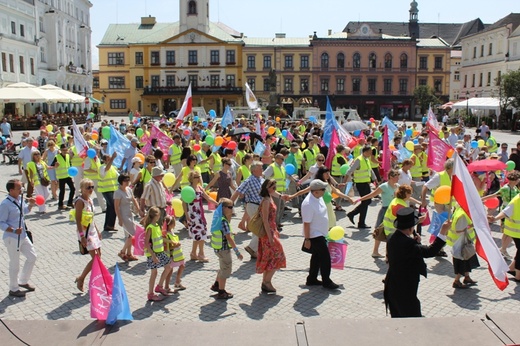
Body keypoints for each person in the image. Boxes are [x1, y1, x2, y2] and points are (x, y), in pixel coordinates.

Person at [384, 207, 449, 318]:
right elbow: (430, 251)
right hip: (405, 289)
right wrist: (442, 232)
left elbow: (405, 250)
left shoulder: (392, 237)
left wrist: (414, 242)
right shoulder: (409, 244)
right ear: (410, 228)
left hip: (392, 286)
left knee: (397, 318)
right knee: (412, 319)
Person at [0, 179, 37, 297]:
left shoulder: (20, 199)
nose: (21, 190)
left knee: (32, 257)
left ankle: (23, 281)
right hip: (12, 238)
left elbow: (24, 210)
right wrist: (14, 230)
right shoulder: (5, 204)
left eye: (21, 188)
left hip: (23, 235)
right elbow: (1, 223)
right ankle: (13, 288)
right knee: (14, 264)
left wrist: (30, 204)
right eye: (19, 188)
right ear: (11, 190)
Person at [301, 179, 340, 289]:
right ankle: (326, 281)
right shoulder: (308, 204)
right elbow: (307, 223)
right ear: (315, 191)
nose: (325, 191)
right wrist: (307, 239)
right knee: (325, 258)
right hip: (314, 235)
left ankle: (311, 279)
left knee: (317, 257)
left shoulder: (318, 198)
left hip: (321, 233)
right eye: (323, 189)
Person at [357, 169, 400, 257]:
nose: (398, 178)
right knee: (380, 231)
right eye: (396, 176)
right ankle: (375, 251)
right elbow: (372, 195)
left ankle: (389, 253)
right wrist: (359, 199)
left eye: (398, 176)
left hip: (395, 211)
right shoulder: (384, 186)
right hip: (385, 210)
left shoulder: (397, 186)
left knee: (392, 232)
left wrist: (418, 203)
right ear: (391, 177)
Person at [210, 198, 243, 299]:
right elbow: (228, 238)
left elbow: (223, 233)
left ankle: (216, 285)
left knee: (222, 267)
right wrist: (237, 252)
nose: (232, 209)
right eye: (230, 207)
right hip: (224, 249)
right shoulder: (223, 221)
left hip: (218, 248)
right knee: (225, 270)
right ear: (223, 208)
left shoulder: (218, 217)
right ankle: (221, 291)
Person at [257, 179, 287, 293]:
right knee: (278, 255)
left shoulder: (269, 196)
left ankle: (265, 282)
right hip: (267, 233)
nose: (274, 187)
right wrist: (270, 236)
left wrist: (282, 196)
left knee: (270, 257)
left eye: (275, 185)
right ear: (266, 188)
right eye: (271, 186)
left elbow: (276, 193)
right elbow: (265, 220)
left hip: (271, 230)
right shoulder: (265, 201)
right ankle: (267, 281)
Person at [230, 161, 264, 258]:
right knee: (260, 228)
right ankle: (252, 248)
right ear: (254, 170)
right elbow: (238, 191)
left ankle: (255, 251)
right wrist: (229, 203)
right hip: (253, 206)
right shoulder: (249, 181)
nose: (262, 170)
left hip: (260, 206)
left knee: (257, 229)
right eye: (260, 168)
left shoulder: (260, 179)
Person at [74, 178, 102, 292]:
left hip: (92, 230)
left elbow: (91, 217)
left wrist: (97, 230)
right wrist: (82, 236)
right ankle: (82, 278)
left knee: (99, 256)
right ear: (82, 189)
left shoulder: (90, 200)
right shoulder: (80, 201)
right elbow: (78, 219)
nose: (91, 189)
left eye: (92, 187)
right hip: (85, 232)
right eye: (88, 187)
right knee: (95, 258)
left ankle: (85, 278)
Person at [183, 171, 218, 262]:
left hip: (200, 214)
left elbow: (208, 198)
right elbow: (183, 202)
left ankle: (193, 253)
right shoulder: (188, 189)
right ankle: (201, 254)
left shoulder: (199, 188)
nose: (199, 178)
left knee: (197, 234)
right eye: (196, 177)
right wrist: (186, 215)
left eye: (199, 176)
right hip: (193, 215)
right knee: (201, 234)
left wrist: (217, 204)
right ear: (192, 179)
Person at [143, 206, 172, 301]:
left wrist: (169, 241)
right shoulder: (150, 227)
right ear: (156, 216)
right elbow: (146, 243)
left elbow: (159, 238)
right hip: (153, 253)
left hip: (160, 251)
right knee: (154, 273)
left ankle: (159, 286)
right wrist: (153, 256)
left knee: (168, 267)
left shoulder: (157, 226)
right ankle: (150, 293)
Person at [446, 207, 479, 289]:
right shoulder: (462, 215)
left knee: (467, 260)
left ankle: (467, 277)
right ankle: (456, 281)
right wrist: (472, 225)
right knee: (462, 262)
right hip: (461, 243)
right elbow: (459, 230)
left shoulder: (460, 210)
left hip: (462, 242)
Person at [114, 173, 143, 261]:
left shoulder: (129, 190)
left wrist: (139, 209)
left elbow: (134, 200)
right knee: (132, 235)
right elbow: (116, 207)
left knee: (129, 236)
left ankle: (129, 254)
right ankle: (122, 252)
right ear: (121, 182)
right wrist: (119, 218)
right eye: (125, 181)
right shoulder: (118, 193)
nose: (127, 182)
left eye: (128, 180)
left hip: (130, 214)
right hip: (124, 215)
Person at [346, 146, 377, 229]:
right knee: (365, 202)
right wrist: (345, 181)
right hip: (360, 184)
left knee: (367, 202)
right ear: (365, 152)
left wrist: (375, 179)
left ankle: (353, 214)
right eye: (370, 152)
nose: (371, 154)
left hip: (366, 183)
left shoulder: (366, 159)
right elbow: (350, 170)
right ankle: (361, 222)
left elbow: (370, 170)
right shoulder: (359, 160)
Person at [163, 216, 186, 292]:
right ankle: (166, 287)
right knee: (170, 271)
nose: (174, 225)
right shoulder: (166, 234)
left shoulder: (172, 231)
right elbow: (167, 246)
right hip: (172, 255)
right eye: (173, 223)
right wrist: (175, 245)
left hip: (178, 254)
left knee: (182, 266)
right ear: (169, 224)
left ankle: (177, 282)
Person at [98, 153, 119, 232]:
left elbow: (118, 176)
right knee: (113, 206)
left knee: (110, 207)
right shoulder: (102, 167)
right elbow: (106, 169)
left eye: (110, 158)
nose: (109, 160)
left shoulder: (113, 167)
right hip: (105, 190)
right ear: (104, 160)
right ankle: (110, 225)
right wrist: (113, 158)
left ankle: (108, 225)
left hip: (113, 189)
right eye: (108, 159)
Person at [53, 144, 75, 210]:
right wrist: (55, 165)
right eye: (63, 150)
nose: (65, 151)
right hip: (61, 176)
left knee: (73, 189)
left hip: (68, 176)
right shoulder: (57, 157)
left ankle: (70, 202)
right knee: (62, 191)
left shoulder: (68, 156)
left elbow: (69, 165)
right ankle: (60, 205)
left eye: (66, 150)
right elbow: (52, 165)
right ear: (60, 150)